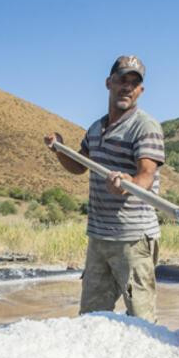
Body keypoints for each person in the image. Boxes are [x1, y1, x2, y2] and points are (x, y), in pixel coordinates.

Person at [44, 55, 165, 321]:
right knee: (92, 318)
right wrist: (60, 149)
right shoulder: (95, 129)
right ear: (109, 83)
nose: (127, 87)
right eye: (122, 80)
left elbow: (145, 175)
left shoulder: (146, 127)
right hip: (99, 238)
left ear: (140, 91)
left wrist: (127, 185)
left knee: (142, 320)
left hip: (132, 239)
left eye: (134, 83)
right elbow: (79, 165)